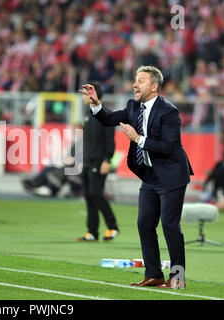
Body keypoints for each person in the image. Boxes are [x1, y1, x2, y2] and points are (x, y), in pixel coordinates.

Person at [80, 65, 194, 289]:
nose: (135, 84)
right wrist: (95, 103)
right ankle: (154, 275)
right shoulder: (133, 106)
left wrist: (138, 139)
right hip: (150, 177)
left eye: (140, 81)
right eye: (135, 80)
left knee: (170, 225)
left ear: (154, 86)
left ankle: (178, 278)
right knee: (144, 223)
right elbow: (108, 119)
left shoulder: (169, 111)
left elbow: (170, 147)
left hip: (172, 176)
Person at [76, 81, 119, 242]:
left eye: (86, 93)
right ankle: (92, 232)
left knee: (96, 194)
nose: (83, 97)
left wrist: (107, 160)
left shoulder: (105, 115)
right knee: (88, 195)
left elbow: (110, 141)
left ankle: (113, 227)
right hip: (87, 161)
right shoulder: (88, 115)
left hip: (99, 162)